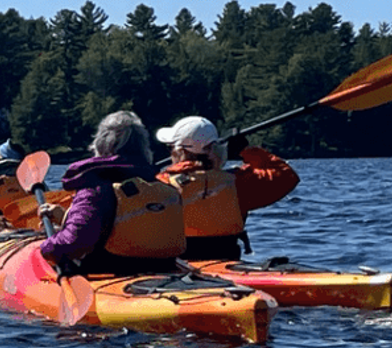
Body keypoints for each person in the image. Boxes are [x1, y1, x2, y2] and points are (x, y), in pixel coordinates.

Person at [38, 111, 186, 275]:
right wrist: (66, 217)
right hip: (164, 269)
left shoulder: (96, 189)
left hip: (110, 271)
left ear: (100, 145)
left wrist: (43, 247)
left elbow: (72, 243)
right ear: (144, 147)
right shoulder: (159, 185)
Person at [154, 116, 300, 261]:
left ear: (180, 151)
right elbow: (286, 176)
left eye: (171, 147)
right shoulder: (237, 182)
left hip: (179, 261)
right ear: (214, 149)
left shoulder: (162, 184)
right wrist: (246, 150)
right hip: (226, 256)